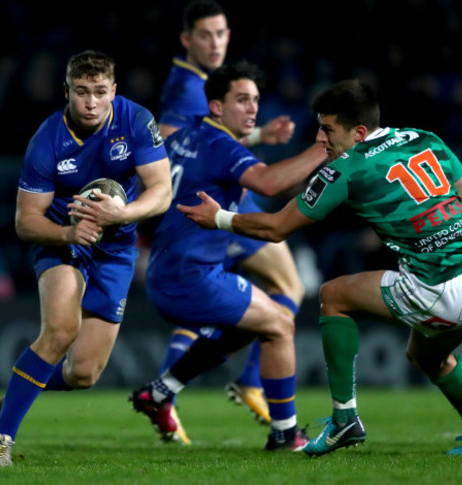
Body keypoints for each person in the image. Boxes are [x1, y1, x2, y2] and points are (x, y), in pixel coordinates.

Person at [178, 79, 462, 456]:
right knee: (426, 357)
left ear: (357, 132)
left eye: (328, 129)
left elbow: (275, 228)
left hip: (441, 289)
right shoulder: (424, 138)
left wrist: (219, 218)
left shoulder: (348, 168)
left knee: (333, 295)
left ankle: (344, 420)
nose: (321, 138)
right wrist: (459, 272)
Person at [0, 50, 172, 466]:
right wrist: (68, 231)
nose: (92, 103)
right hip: (62, 242)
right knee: (60, 330)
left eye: (101, 92)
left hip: (116, 249)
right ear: (67, 91)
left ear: (114, 91)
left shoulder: (136, 121)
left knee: (84, 374)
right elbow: (26, 222)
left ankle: (14, 399)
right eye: (82, 92)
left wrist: (123, 214)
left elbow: (162, 191)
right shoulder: (47, 141)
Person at [130, 61, 325, 451]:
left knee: (254, 321)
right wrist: (323, 147)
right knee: (280, 324)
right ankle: (285, 433)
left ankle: (162, 390)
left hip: (168, 272)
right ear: (217, 107)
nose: (252, 108)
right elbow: (268, 183)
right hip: (193, 276)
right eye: (242, 100)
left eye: (254, 100)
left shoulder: (187, 136)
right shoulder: (222, 147)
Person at [152, 0, 306, 443]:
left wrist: (256, 135)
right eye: (206, 35)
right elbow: (172, 146)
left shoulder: (200, 82)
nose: (216, 43)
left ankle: (166, 390)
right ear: (187, 40)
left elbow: (201, 136)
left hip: (217, 199)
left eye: (222, 33)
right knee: (283, 292)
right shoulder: (187, 85)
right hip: (209, 203)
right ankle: (250, 383)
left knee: (231, 304)